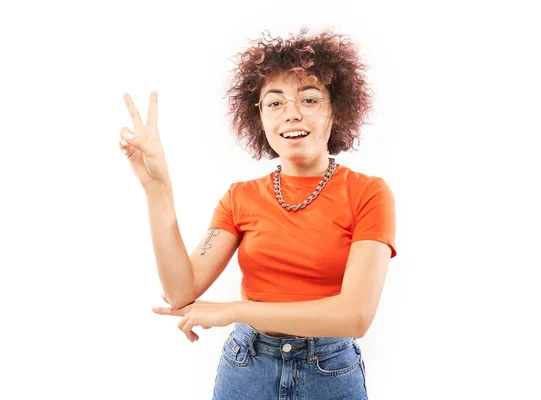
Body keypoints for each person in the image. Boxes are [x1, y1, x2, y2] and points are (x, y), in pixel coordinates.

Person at [119, 27, 397, 400]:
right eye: (275, 103)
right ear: (260, 118)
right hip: (246, 366)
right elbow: (180, 291)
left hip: (329, 370)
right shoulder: (241, 197)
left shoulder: (368, 193)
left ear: (336, 110)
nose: (292, 114)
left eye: (310, 99)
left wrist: (236, 310)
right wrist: (157, 190)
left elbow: (355, 316)